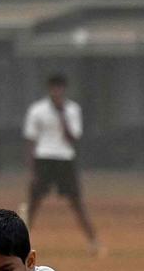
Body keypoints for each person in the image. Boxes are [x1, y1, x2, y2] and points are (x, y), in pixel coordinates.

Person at [22, 74, 103, 254]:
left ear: (64, 89)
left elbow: (73, 138)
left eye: (59, 88)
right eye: (54, 88)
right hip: (43, 158)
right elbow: (30, 140)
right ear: (49, 89)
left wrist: (62, 115)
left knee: (76, 202)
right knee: (34, 202)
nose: (56, 91)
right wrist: (31, 168)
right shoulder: (37, 110)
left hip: (65, 158)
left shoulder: (72, 110)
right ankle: (20, 241)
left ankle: (93, 241)